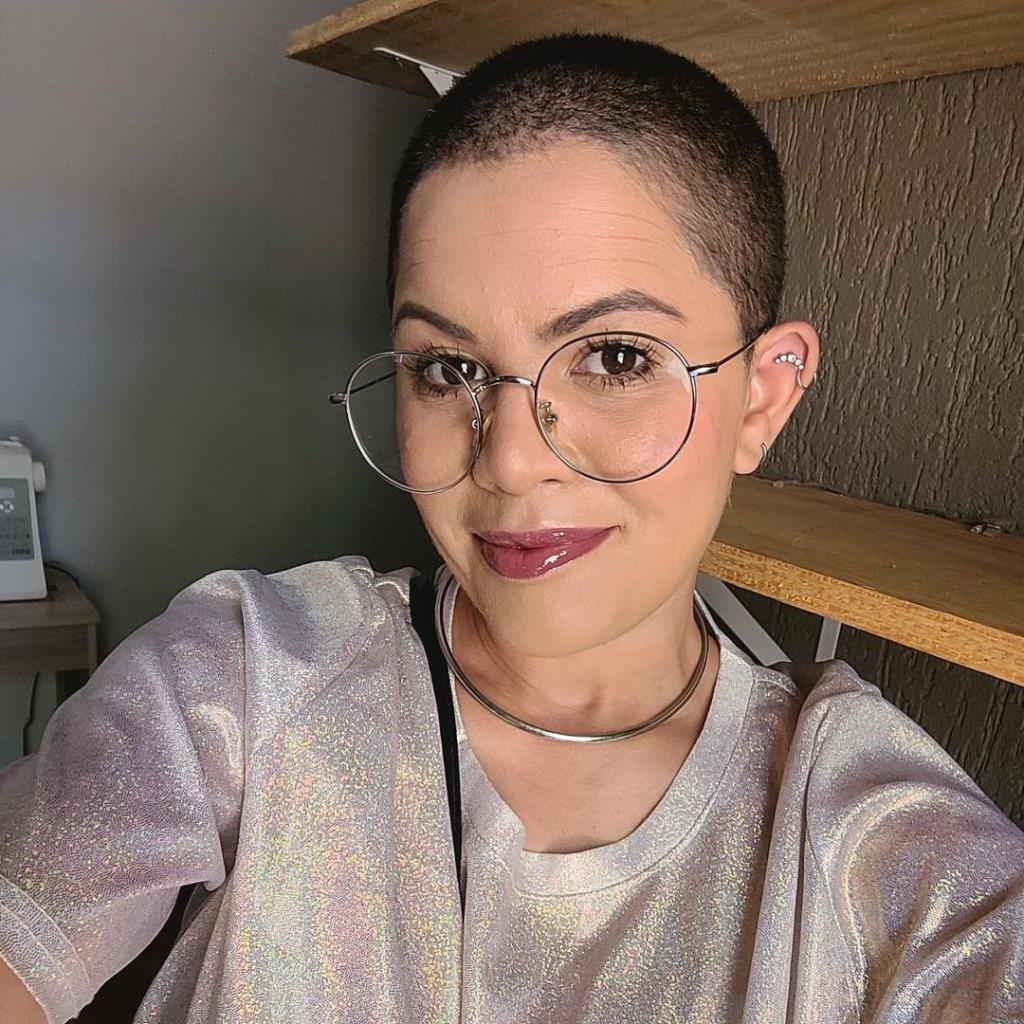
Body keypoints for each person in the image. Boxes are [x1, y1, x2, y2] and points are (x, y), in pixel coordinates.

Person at [1, 31, 1021, 1024]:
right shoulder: (244, 682)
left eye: (615, 357)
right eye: (448, 369)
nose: (509, 461)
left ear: (762, 396)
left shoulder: (876, 837)